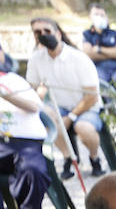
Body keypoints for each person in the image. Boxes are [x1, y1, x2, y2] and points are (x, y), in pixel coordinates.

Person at [27, 17, 104, 180]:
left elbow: (91, 96)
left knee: (83, 127)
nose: (42, 35)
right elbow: (31, 89)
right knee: (44, 115)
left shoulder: (79, 59)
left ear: (59, 34)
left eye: (47, 31)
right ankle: (69, 157)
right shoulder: (36, 59)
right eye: (37, 32)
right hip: (59, 106)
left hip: (87, 107)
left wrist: (71, 117)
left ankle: (94, 158)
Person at [0, 66, 50, 209]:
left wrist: (5, 95)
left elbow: (34, 106)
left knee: (33, 171)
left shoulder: (13, 80)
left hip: (25, 142)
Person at [81, 5, 116, 87]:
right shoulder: (87, 35)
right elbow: (89, 54)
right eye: (96, 14)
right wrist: (112, 54)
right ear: (90, 17)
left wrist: (99, 50)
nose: (99, 17)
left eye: (102, 15)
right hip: (100, 70)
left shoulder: (115, 34)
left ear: (106, 17)